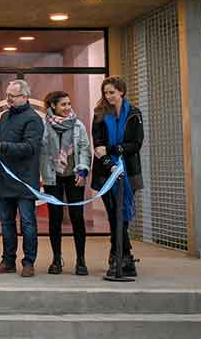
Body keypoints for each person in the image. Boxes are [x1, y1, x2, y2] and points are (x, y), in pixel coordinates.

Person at [0, 79, 43, 277]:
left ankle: (29, 262)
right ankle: (8, 260)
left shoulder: (34, 119)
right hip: (4, 179)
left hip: (25, 180)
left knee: (27, 222)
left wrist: (3, 147)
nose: (8, 99)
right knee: (6, 222)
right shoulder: (4, 118)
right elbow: (0, 145)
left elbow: (30, 148)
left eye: (13, 96)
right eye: (7, 95)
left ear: (25, 97)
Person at [91, 76, 144, 277]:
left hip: (129, 171)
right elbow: (98, 147)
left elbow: (135, 144)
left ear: (121, 91)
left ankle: (119, 257)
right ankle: (123, 258)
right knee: (115, 216)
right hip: (105, 173)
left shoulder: (134, 114)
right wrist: (111, 165)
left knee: (122, 219)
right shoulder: (99, 114)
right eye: (105, 93)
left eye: (112, 92)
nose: (108, 96)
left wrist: (112, 149)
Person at [40, 90, 91, 276]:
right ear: (53, 106)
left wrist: (83, 169)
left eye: (69, 104)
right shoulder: (44, 125)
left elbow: (85, 148)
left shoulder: (77, 125)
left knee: (77, 217)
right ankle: (56, 259)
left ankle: (81, 260)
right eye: (63, 104)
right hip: (53, 177)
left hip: (74, 176)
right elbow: (40, 152)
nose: (67, 108)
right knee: (55, 218)